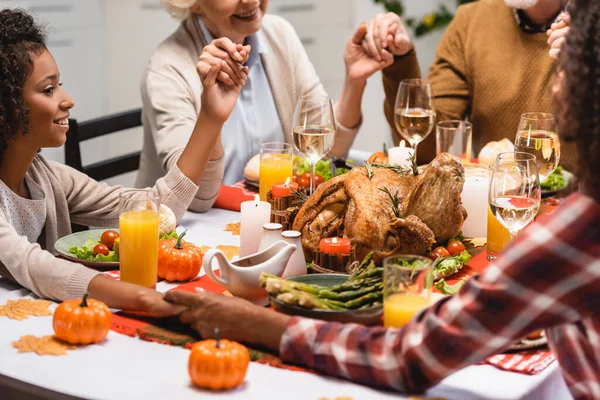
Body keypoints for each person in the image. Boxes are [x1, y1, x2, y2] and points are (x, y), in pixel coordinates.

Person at [163, 1, 600, 397]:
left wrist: (262, 325)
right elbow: (424, 141)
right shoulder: (477, 20)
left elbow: (407, 356)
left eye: (563, 73)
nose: (555, 86)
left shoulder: (575, 237)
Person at [0, 8, 245, 314]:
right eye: (49, 89)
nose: (67, 99)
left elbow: (155, 207)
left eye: (59, 84)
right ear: (5, 107)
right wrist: (146, 299)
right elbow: (34, 266)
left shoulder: (48, 179)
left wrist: (211, 117)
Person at [135, 0, 394, 212]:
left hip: (272, 214)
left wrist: (355, 81)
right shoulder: (167, 67)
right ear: (193, 4)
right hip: (194, 230)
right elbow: (192, 196)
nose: (250, 1)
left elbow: (323, 152)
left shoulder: (279, 33)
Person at [363, 0, 577, 172]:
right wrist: (400, 61)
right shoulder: (471, 21)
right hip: (496, 210)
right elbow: (426, 149)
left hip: (585, 214)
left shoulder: (592, 26)